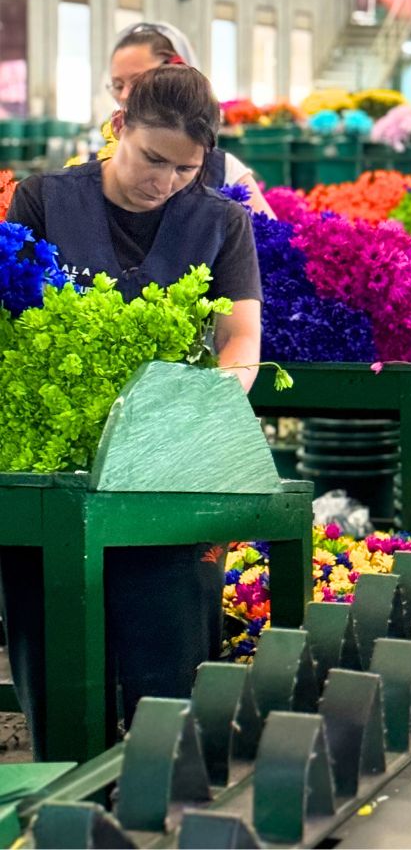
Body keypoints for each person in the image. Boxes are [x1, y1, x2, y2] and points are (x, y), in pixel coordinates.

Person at [3, 66, 263, 757]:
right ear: (119, 127)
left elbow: (241, 341)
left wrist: (204, 396)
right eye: (152, 158)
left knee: (170, 659)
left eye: (185, 168)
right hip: (59, 470)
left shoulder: (221, 222)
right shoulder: (44, 201)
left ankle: (161, 793)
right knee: (57, 646)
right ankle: (66, 788)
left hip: (169, 465)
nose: (165, 181)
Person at [94, 21, 274, 217]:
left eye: (139, 81)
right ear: (118, 124)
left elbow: (270, 240)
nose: (125, 96)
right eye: (118, 85)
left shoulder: (221, 169)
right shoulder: (88, 175)